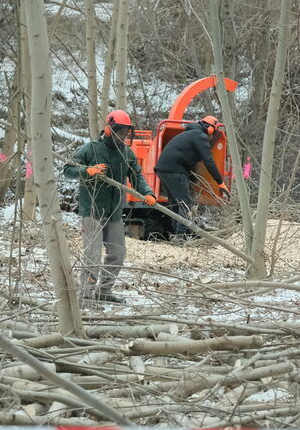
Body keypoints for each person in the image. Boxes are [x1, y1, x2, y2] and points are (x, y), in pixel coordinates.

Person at [62, 109, 157, 303]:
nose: (122, 136)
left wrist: (148, 193)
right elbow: (68, 169)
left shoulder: (126, 153)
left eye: (125, 132)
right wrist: (87, 170)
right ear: (109, 129)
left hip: (114, 212)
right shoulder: (91, 149)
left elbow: (137, 176)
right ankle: (86, 295)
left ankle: (104, 291)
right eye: (119, 132)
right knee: (93, 256)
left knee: (118, 254)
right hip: (93, 211)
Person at [154, 114, 228, 239]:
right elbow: (209, 161)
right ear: (210, 128)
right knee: (186, 204)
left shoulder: (191, 133)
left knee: (176, 204)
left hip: (163, 169)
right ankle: (180, 237)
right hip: (174, 170)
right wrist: (220, 182)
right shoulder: (200, 136)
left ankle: (177, 235)